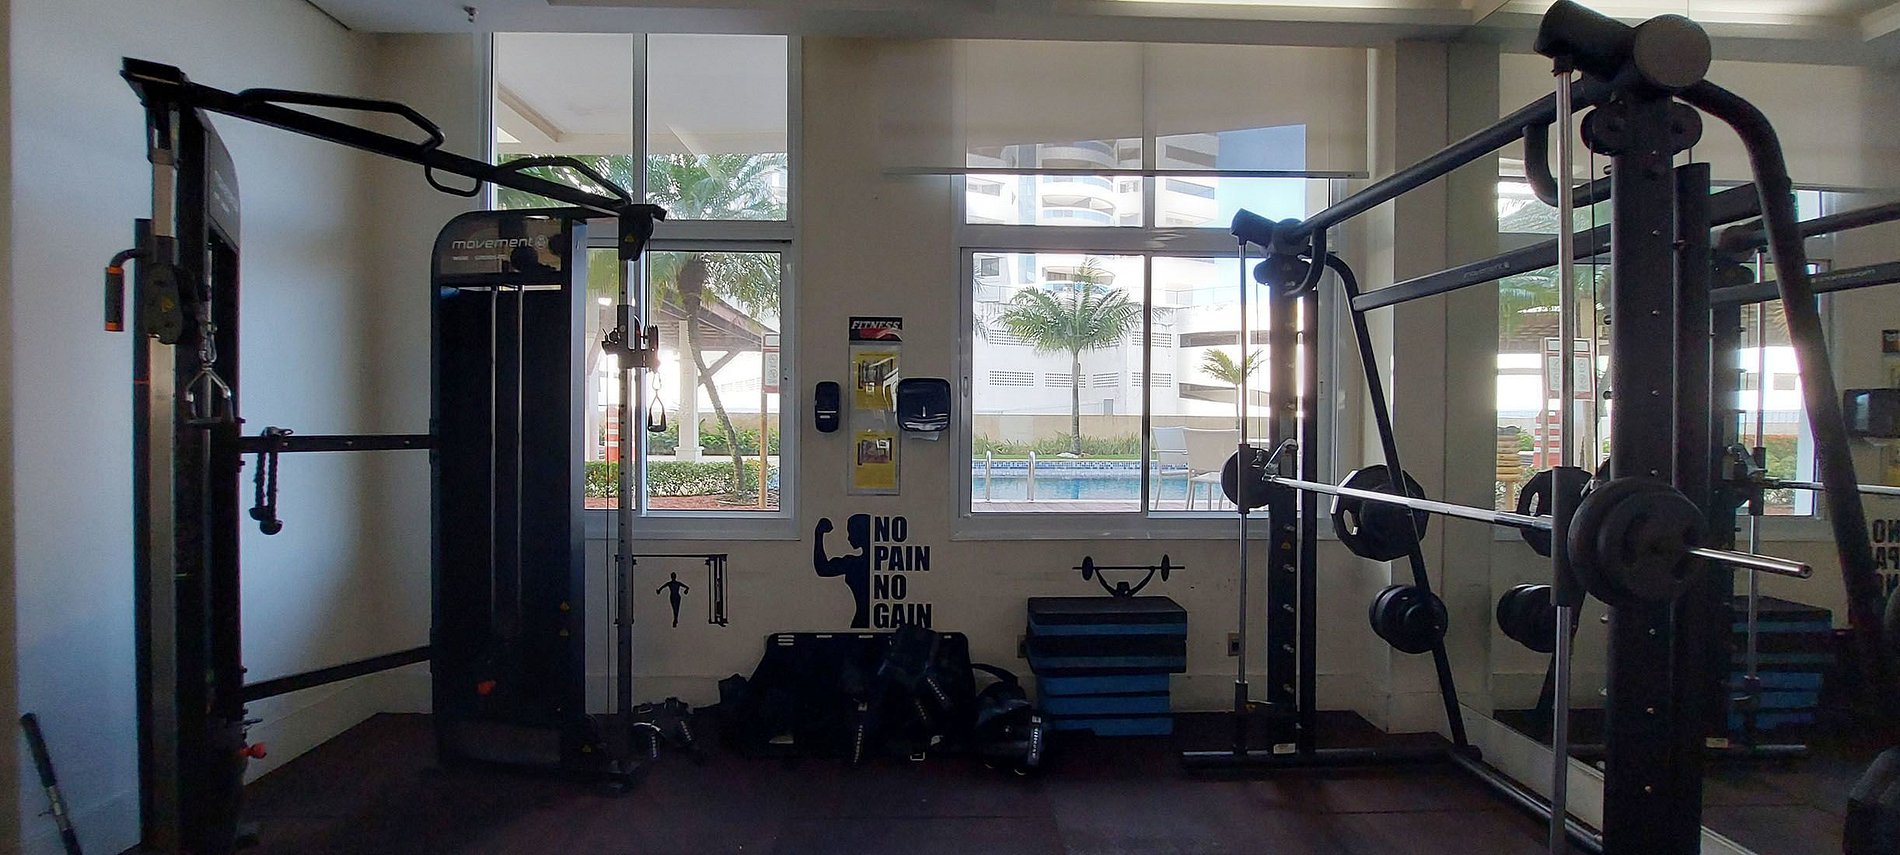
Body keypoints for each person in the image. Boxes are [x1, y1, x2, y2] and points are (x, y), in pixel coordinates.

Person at [813, 514, 872, 628]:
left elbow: (823, 568)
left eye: (851, 532)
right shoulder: (853, 563)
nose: (848, 538)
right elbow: (823, 569)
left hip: (862, 622)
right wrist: (818, 535)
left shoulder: (855, 563)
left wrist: (819, 534)